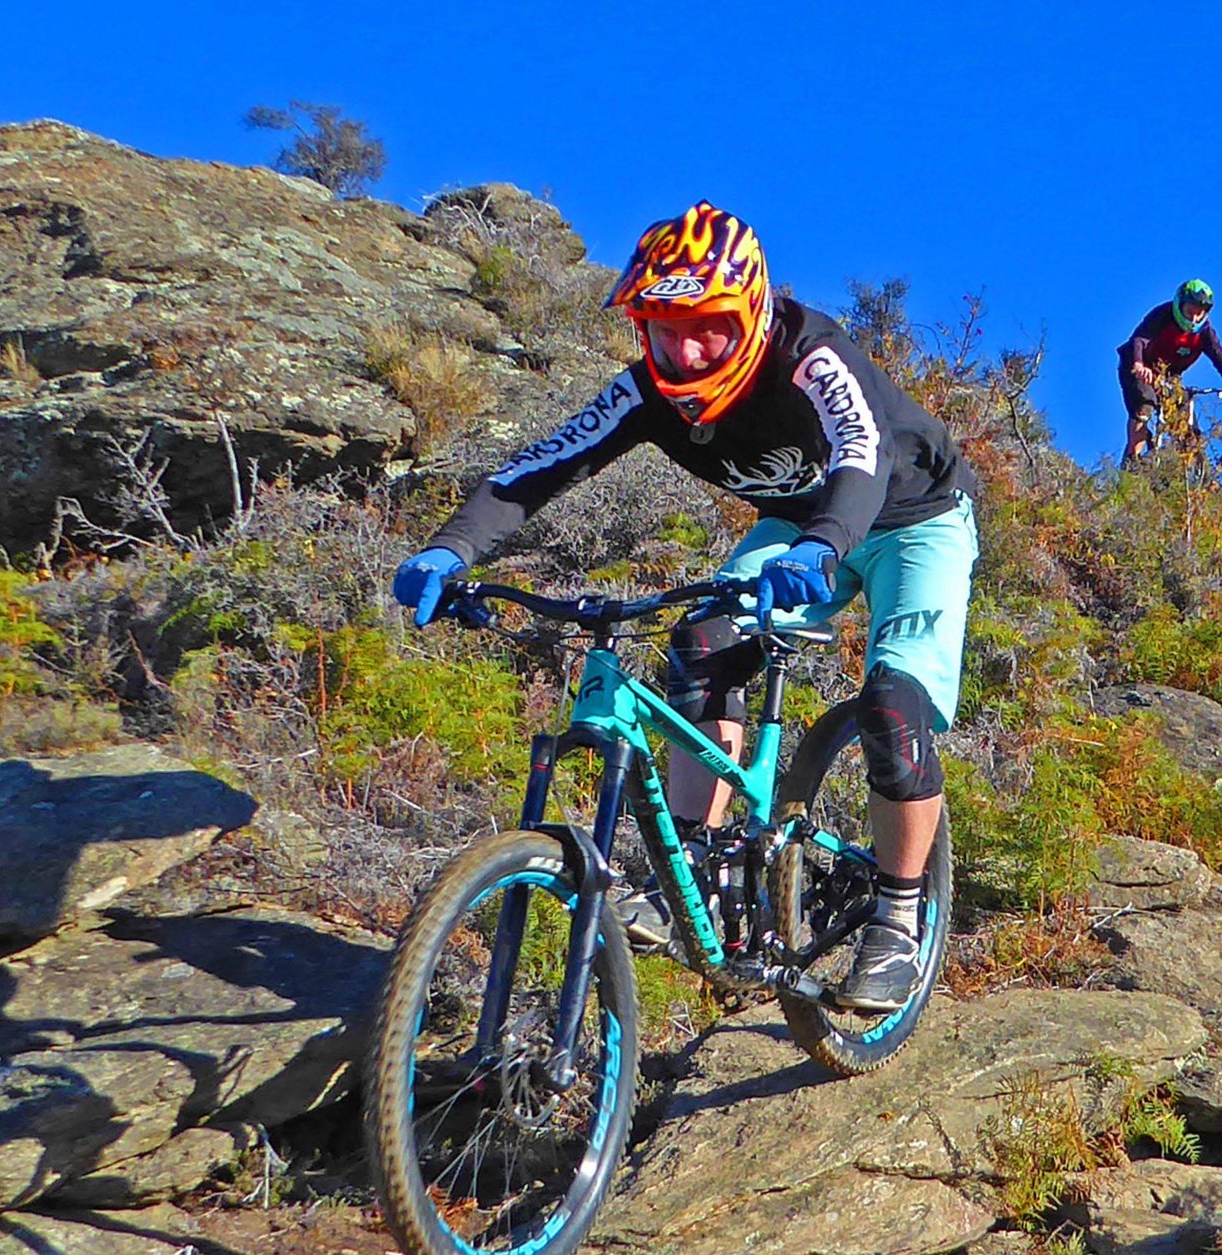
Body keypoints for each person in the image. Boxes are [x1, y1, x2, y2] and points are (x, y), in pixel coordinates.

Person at [390, 201, 981, 1014]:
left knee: (892, 705)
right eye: (665, 326)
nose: (686, 348)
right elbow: (544, 464)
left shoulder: (811, 356)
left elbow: (860, 451)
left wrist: (826, 544)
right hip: (804, 525)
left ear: (751, 312)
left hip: (914, 520)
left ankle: (898, 917)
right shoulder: (646, 392)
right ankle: (693, 872)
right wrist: (452, 547)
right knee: (704, 641)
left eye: (708, 326)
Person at [1118, 278, 1222, 467]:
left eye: (1199, 314)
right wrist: (1139, 365)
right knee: (1144, 407)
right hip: (1139, 367)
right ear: (1180, 304)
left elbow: (1221, 360)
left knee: (1186, 428)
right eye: (1190, 312)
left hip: (1169, 376)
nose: (1194, 319)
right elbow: (1139, 340)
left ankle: (1193, 478)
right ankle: (1132, 460)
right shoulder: (1162, 315)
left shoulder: (1205, 332)